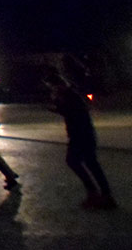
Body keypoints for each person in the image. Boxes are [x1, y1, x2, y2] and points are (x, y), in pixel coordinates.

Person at [46, 75, 116, 209]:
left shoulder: (69, 96)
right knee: (89, 163)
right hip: (82, 134)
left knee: (79, 162)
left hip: (81, 134)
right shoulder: (70, 95)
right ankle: (102, 195)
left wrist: (57, 106)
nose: (52, 90)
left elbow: (72, 112)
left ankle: (97, 194)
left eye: (52, 87)